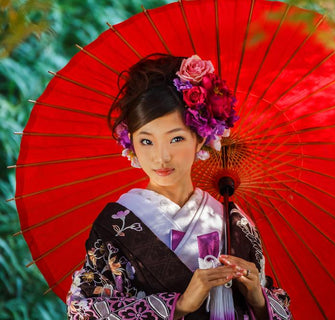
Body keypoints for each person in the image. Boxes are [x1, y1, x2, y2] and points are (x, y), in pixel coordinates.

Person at [66, 53, 291, 320]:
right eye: (146, 141)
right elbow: (84, 311)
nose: (161, 157)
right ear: (132, 145)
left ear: (200, 138)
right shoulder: (116, 224)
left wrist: (258, 299)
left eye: (176, 139)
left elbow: (274, 307)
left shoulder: (234, 223)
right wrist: (180, 305)